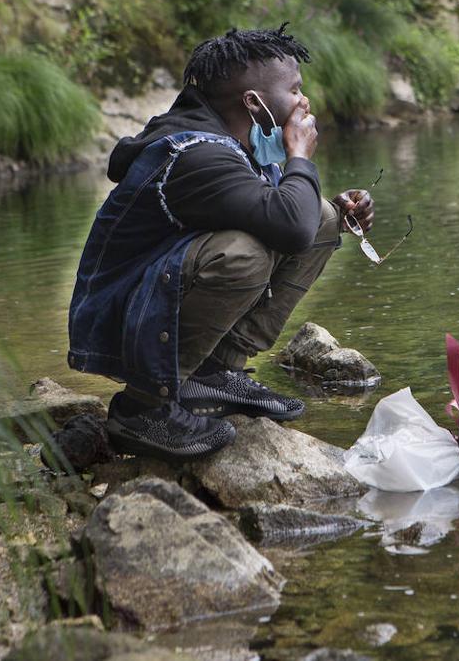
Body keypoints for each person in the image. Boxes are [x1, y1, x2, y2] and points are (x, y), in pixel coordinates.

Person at [67, 24, 374, 460]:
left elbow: (293, 217)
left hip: (156, 301)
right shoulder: (198, 154)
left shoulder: (237, 138)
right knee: (244, 255)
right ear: (253, 102)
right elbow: (289, 227)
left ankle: (213, 372)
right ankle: (143, 407)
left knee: (322, 218)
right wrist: (299, 156)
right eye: (294, 90)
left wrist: (339, 212)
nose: (303, 101)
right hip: (121, 325)